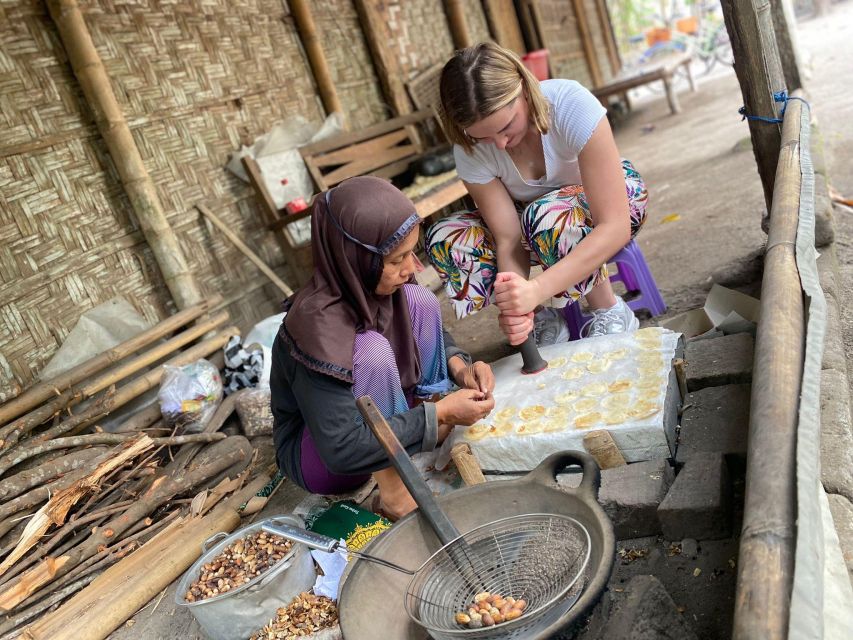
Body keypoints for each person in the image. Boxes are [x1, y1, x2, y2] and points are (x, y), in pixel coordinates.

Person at [270, 176, 495, 521]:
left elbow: (420, 330)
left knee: (419, 301)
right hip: (327, 458)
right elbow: (342, 448)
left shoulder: (376, 281)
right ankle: (394, 493)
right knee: (371, 352)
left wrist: (458, 367)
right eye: (396, 260)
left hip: (388, 421)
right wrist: (441, 414)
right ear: (356, 258)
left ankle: (428, 431)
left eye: (411, 253)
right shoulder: (315, 325)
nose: (411, 268)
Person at [426, 42, 649, 347]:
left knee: (547, 218)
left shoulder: (570, 104)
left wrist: (538, 287)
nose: (501, 144)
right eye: (483, 137)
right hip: (535, 227)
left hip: (614, 203)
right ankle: (543, 319)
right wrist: (518, 301)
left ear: (524, 88)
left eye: (506, 127)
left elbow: (615, 225)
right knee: (448, 237)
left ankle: (608, 309)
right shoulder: (469, 150)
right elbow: (507, 237)